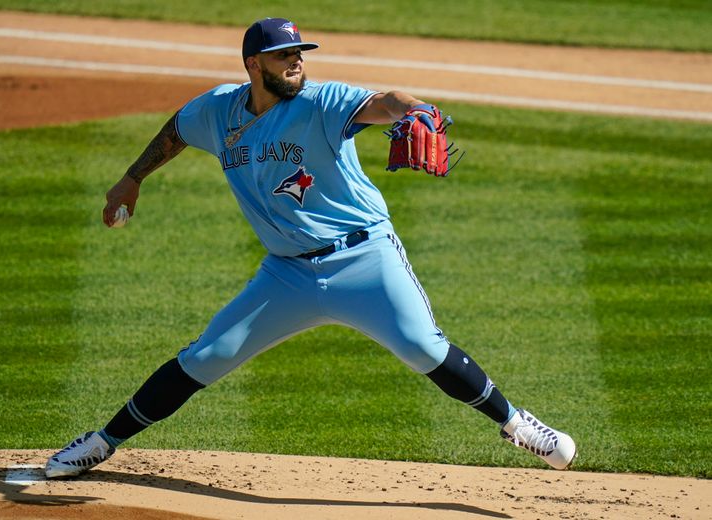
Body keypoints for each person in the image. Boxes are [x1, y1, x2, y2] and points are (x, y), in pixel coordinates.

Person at [45, 18, 576, 479]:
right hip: (287, 276)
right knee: (207, 357)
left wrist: (417, 110)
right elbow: (176, 132)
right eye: (284, 55)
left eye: (300, 54)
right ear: (255, 63)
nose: (296, 62)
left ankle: (517, 424)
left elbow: (386, 101)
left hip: (365, 260)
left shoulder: (323, 103)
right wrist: (131, 179)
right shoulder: (217, 111)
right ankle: (100, 442)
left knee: (422, 347)